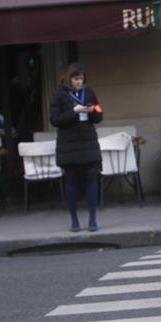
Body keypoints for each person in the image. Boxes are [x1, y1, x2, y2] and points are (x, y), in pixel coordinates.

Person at [49, 62, 103, 232]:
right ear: (69, 79)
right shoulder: (59, 95)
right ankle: (74, 221)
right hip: (69, 144)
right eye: (76, 79)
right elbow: (54, 120)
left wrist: (92, 111)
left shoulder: (90, 93)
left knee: (91, 180)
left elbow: (100, 114)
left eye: (81, 79)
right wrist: (74, 112)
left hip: (88, 141)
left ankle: (93, 219)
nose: (79, 82)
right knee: (71, 182)